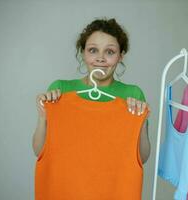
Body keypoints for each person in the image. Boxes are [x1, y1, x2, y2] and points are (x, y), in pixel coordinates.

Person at [32, 18, 151, 165]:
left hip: (113, 185)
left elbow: (142, 158)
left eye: (110, 52)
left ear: (120, 56)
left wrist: (143, 122)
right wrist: (43, 116)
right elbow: (39, 151)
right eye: (93, 50)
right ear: (83, 53)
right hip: (67, 183)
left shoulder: (132, 94)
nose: (100, 58)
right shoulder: (61, 90)